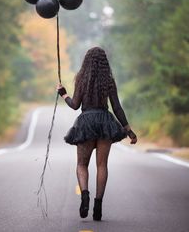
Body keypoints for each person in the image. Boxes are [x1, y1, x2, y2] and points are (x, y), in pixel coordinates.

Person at [56, 47, 137, 221]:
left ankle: (84, 195)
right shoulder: (108, 80)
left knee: (82, 164)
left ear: (87, 61)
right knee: (102, 166)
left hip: (86, 123)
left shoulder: (82, 79)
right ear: (104, 63)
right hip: (104, 123)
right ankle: (98, 206)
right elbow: (116, 107)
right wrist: (128, 130)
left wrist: (63, 94)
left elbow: (75, 105)